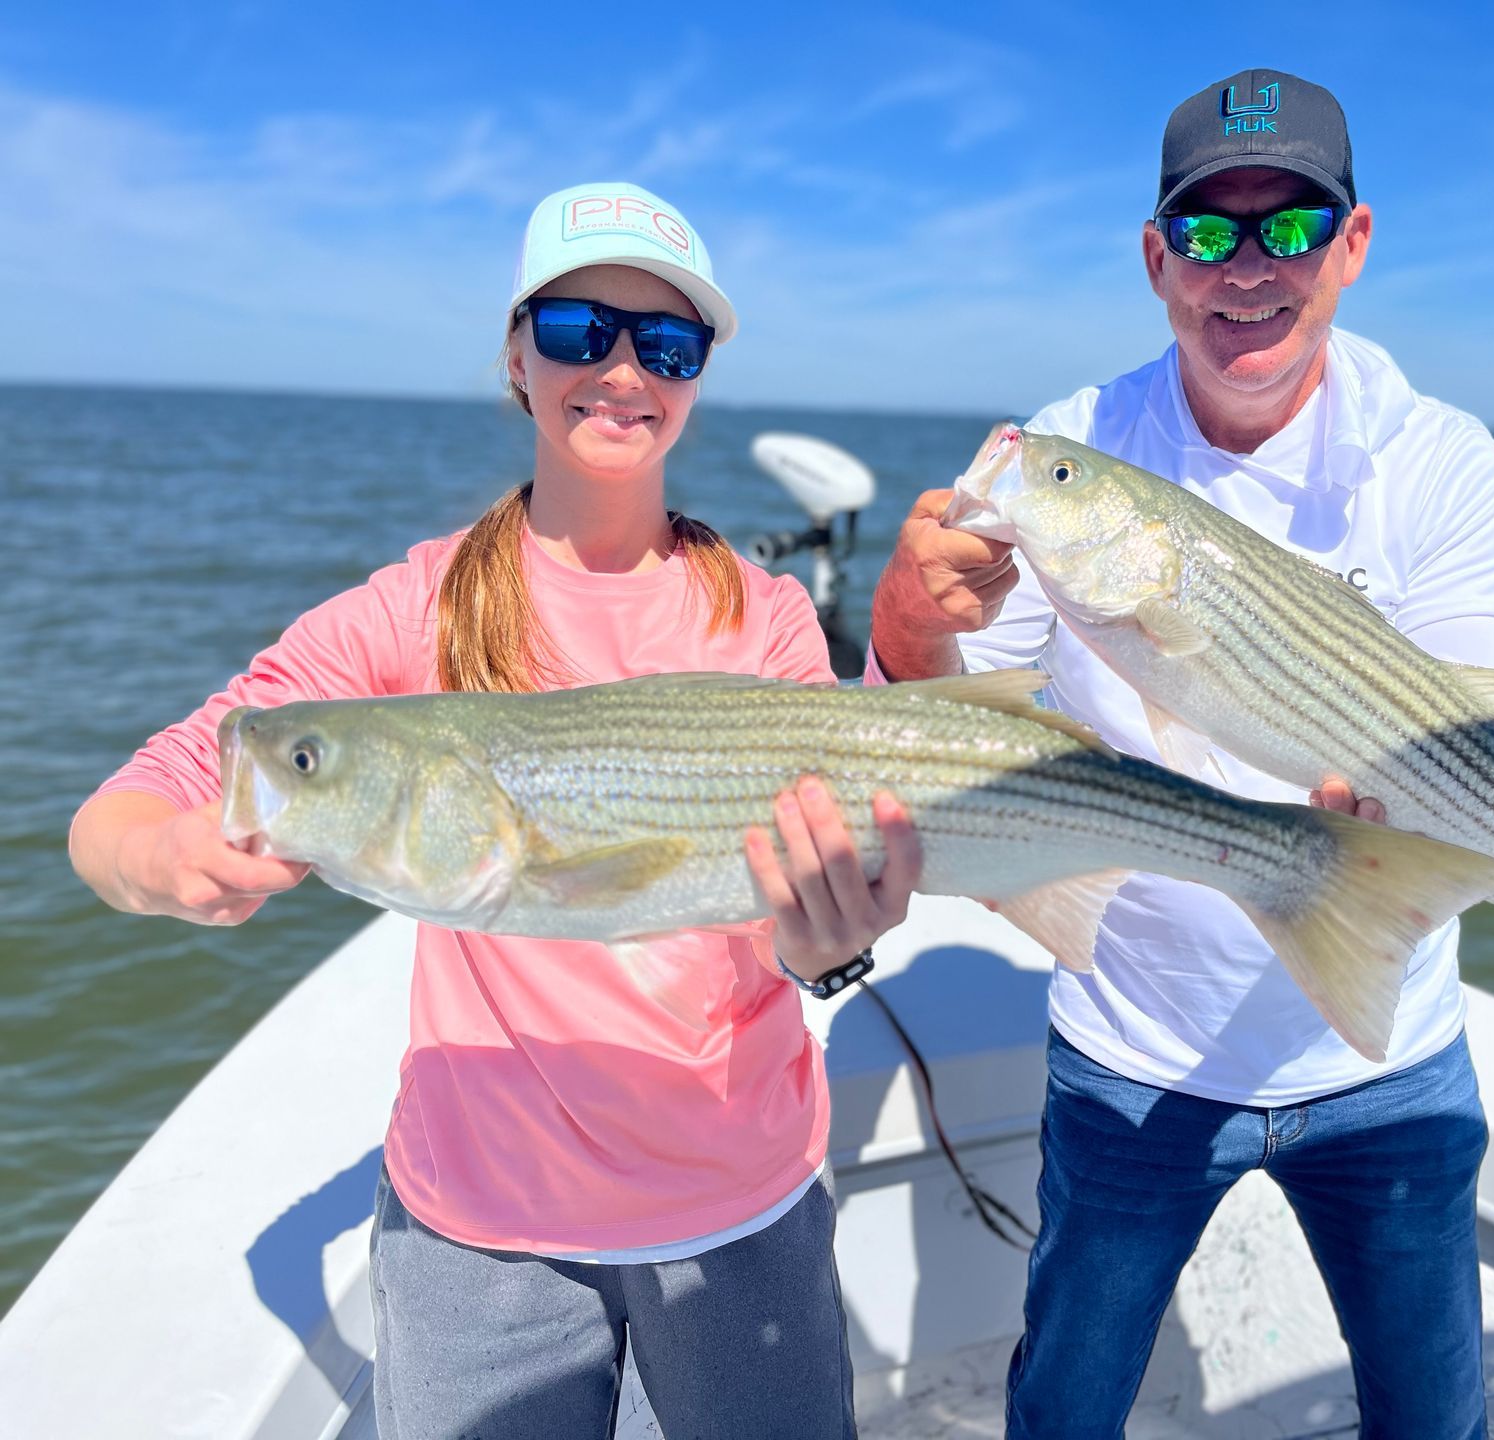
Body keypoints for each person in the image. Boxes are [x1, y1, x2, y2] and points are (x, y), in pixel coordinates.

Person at [69, 181, 922, 1439]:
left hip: (739, 1202)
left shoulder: (769, 618)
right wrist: (171, 858)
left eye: (667, 345)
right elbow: (137, 802)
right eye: (583, 330)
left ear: (695, 382)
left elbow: (795, 939)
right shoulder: (407, 611)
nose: (623, 370)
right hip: (475, 1229)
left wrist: (821, 941)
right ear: (518, 353)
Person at [869, 69, 1494, 1439]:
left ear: (1352, 245)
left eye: (1290, 229)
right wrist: (905, 619)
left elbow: (1462, 752)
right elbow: (944, 737)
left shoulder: (1444, 465)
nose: (1250, 269)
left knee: (1437, 1418)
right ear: (1158, 259)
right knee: (1064, 1407)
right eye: (1211, 233)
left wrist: (1387, 806)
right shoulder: (1068, 452)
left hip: (1390, 1055)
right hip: (1133, 1049)